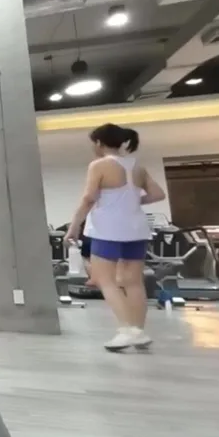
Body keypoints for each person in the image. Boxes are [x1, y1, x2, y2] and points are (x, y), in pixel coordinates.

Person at [64, 124, 165, 352]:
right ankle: (138, 331)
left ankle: (126, 330)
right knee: (133, 281)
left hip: (107, 229)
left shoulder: (99, 165)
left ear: (99, 143)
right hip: (136, 229)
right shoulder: (137, 166)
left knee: (104, 279)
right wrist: (132, 200)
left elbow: (89, 198)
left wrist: (74, 226)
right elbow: (158, 194)